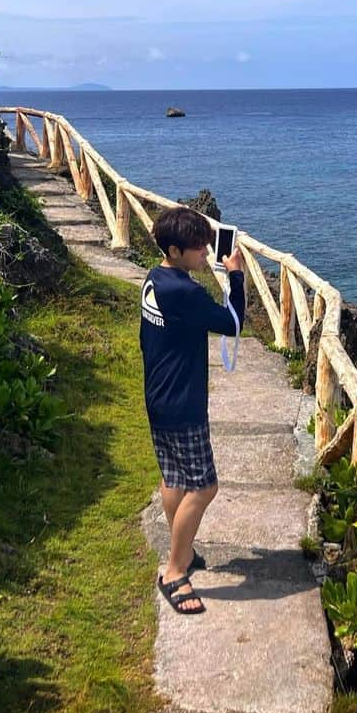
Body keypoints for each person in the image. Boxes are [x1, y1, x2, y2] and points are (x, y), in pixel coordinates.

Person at [140, 206, 245, 615]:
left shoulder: (155, 278)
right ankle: (175, 571)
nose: (205, 252)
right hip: (183, 404)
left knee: (175, 479)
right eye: (197, 248)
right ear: (174, 249)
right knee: (204, 487)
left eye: (206, 244)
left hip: (158, 397)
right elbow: (233, 322)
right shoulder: (185, 292)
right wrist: (234, 275)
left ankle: (182, 548)